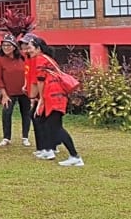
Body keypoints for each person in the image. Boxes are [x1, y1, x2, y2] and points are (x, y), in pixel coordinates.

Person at [22, 33, 84, 167]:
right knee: (42, 120)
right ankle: (49, 149)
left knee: (55, 127)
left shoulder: (39, 59)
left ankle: (74, 156)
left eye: (30, 47)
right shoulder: (45, 58)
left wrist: (41, 101)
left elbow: (40, 81)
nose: (27, 50)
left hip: (53, 96)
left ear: (38, 48)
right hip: (54, 95)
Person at [0, 33, 31, 147]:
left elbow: (30, 73)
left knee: (26, 114)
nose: (6, 48)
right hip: (8, 92)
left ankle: (25, 137)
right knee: (6, 113)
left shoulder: (24, 57)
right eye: (4, 45)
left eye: (8, 45)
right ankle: (6, 137)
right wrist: (3, 94)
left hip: (25, 91)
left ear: (14, 47)